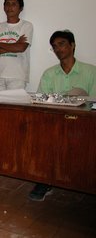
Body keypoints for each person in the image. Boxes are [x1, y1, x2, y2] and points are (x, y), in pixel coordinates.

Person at [29, 30, 96, 201]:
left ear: (72, 45)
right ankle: (45, 180)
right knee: (39, 134)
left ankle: (84, 181)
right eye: (54, 46)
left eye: (62, 44)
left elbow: (94, 104)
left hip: (84, 123)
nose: (58, 49)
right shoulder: (49, 74)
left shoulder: (90, 72)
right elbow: (41, 101)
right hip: (55, 123)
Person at [0, 0, 33, 90]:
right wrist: (14, 45)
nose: (9, 7)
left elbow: (21, 48)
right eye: (7, 4)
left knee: (14, 105)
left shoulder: (26, 26)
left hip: (17, 76)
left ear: (21, 8)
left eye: (14, 4)